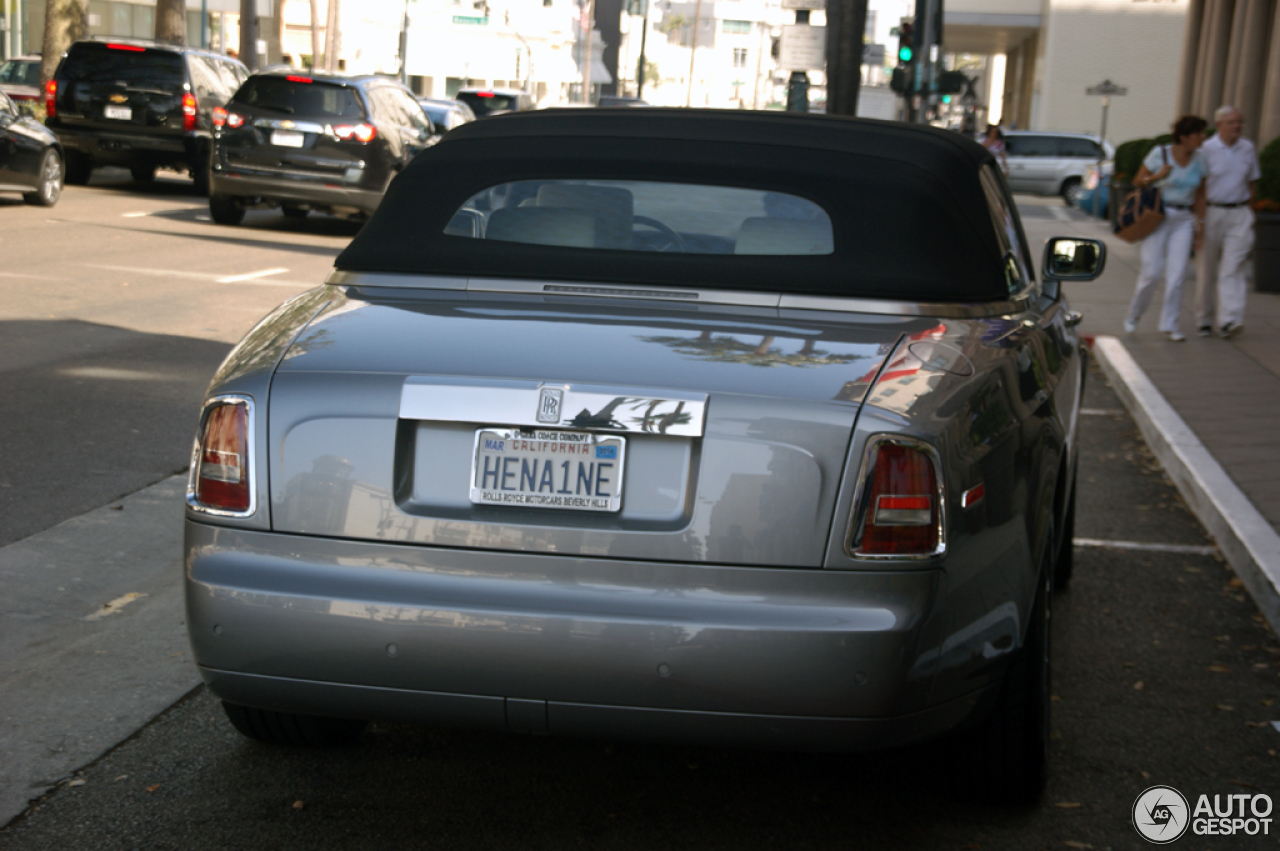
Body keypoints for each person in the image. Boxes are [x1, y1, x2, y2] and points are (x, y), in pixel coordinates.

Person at [1122, 115, 1209, 341]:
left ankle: (1170, 324)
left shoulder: (1201, 159)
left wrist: (1200, 225)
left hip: (1184, 218)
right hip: (1158, 215)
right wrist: (1157, 176)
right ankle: (1134, 315)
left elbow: (1201, 194)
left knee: (1177, 274)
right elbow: (1137, 181)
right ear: (1184, 136)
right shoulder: (1160, 153)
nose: (1203, 138)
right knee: (1151, 272)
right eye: (1199, 133)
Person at [1194, 105, 1261, 338]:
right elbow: (1199, 188)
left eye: (1239, 122)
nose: (1237, 126)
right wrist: (1199, 223)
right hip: (1212, 212)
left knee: (1233, 268)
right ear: (1219, 125)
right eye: (1232, 122)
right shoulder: (1206, 149)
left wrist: (1249, 212)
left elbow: (1252, 182)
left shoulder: (1248, 148)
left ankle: (1230, 320)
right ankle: (1204, 318)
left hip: (1239, 213)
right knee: (1207, 268)